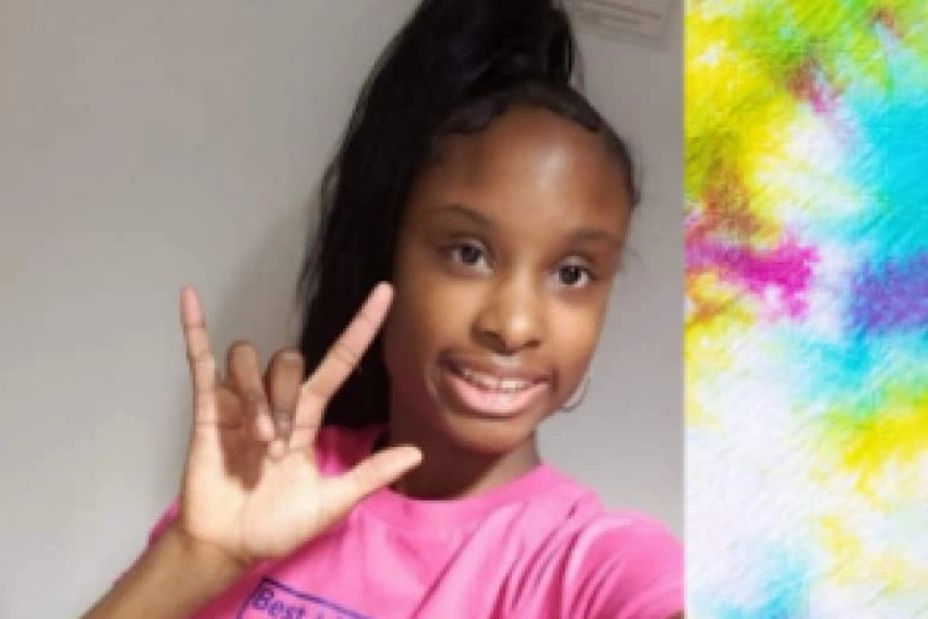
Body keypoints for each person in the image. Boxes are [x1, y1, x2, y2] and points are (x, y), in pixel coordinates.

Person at [86, 0, 683, 616]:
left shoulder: (589, 567)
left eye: (572, 273)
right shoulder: (264, 486)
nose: (513, 326)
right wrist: (197, 555)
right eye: (469, 253)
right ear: (389, 255)